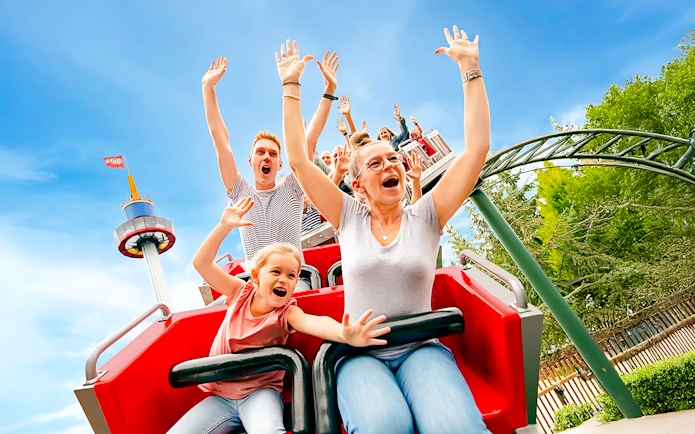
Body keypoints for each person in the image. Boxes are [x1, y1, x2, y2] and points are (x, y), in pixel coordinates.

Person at [276, 24, 491, 434]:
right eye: (375, 164)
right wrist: (290, 86)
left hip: (421, 348)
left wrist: (470, 69)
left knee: (453, 426)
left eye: (392, 158)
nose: (389, 165)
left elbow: (477, 147)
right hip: (359, 353)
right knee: (384, 424)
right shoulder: (348, 217)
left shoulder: (427, 215)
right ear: (357, 185)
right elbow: (301, 163)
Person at [168, 198, 390, 434]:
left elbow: (313, 323)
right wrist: (223, 226)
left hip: (260, 393)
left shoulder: (287, 312)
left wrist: (344, 333)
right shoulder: (240, 293)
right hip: (220, 395)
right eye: (275, 272)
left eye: (292, 275)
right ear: (255, 276)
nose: (284, 279)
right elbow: (201, 263)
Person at [201, 51, 339, 273]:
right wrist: (208, 88)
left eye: (273, 154)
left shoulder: (293, 188)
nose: (266, 157)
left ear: (280, 164)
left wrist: (329, 92)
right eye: (261, 152)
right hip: (256, 289)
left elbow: (310, 140)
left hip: (294, 282)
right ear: (250, 160)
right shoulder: (240, 192)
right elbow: (221, 142)